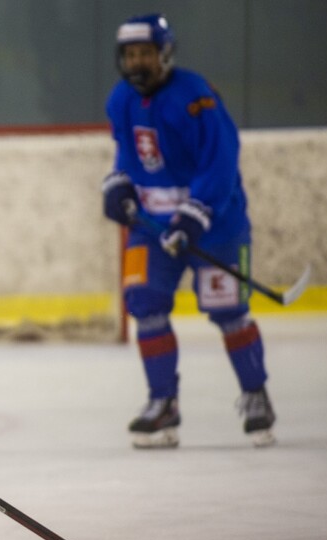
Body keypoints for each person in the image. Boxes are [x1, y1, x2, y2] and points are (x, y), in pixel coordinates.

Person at [101, 13, 275, 449]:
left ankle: (255, 394)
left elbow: (221, 161)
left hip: (214, 225)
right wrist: (118, 182)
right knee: (144, 301)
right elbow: (128, 151)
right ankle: (164, 404)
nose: (137, 62)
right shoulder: (120, 98)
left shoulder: (196, 97)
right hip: (152, 226)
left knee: (228, 310)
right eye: (130, 54)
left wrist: (195, 215)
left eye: (145, 53)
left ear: (164, 53)